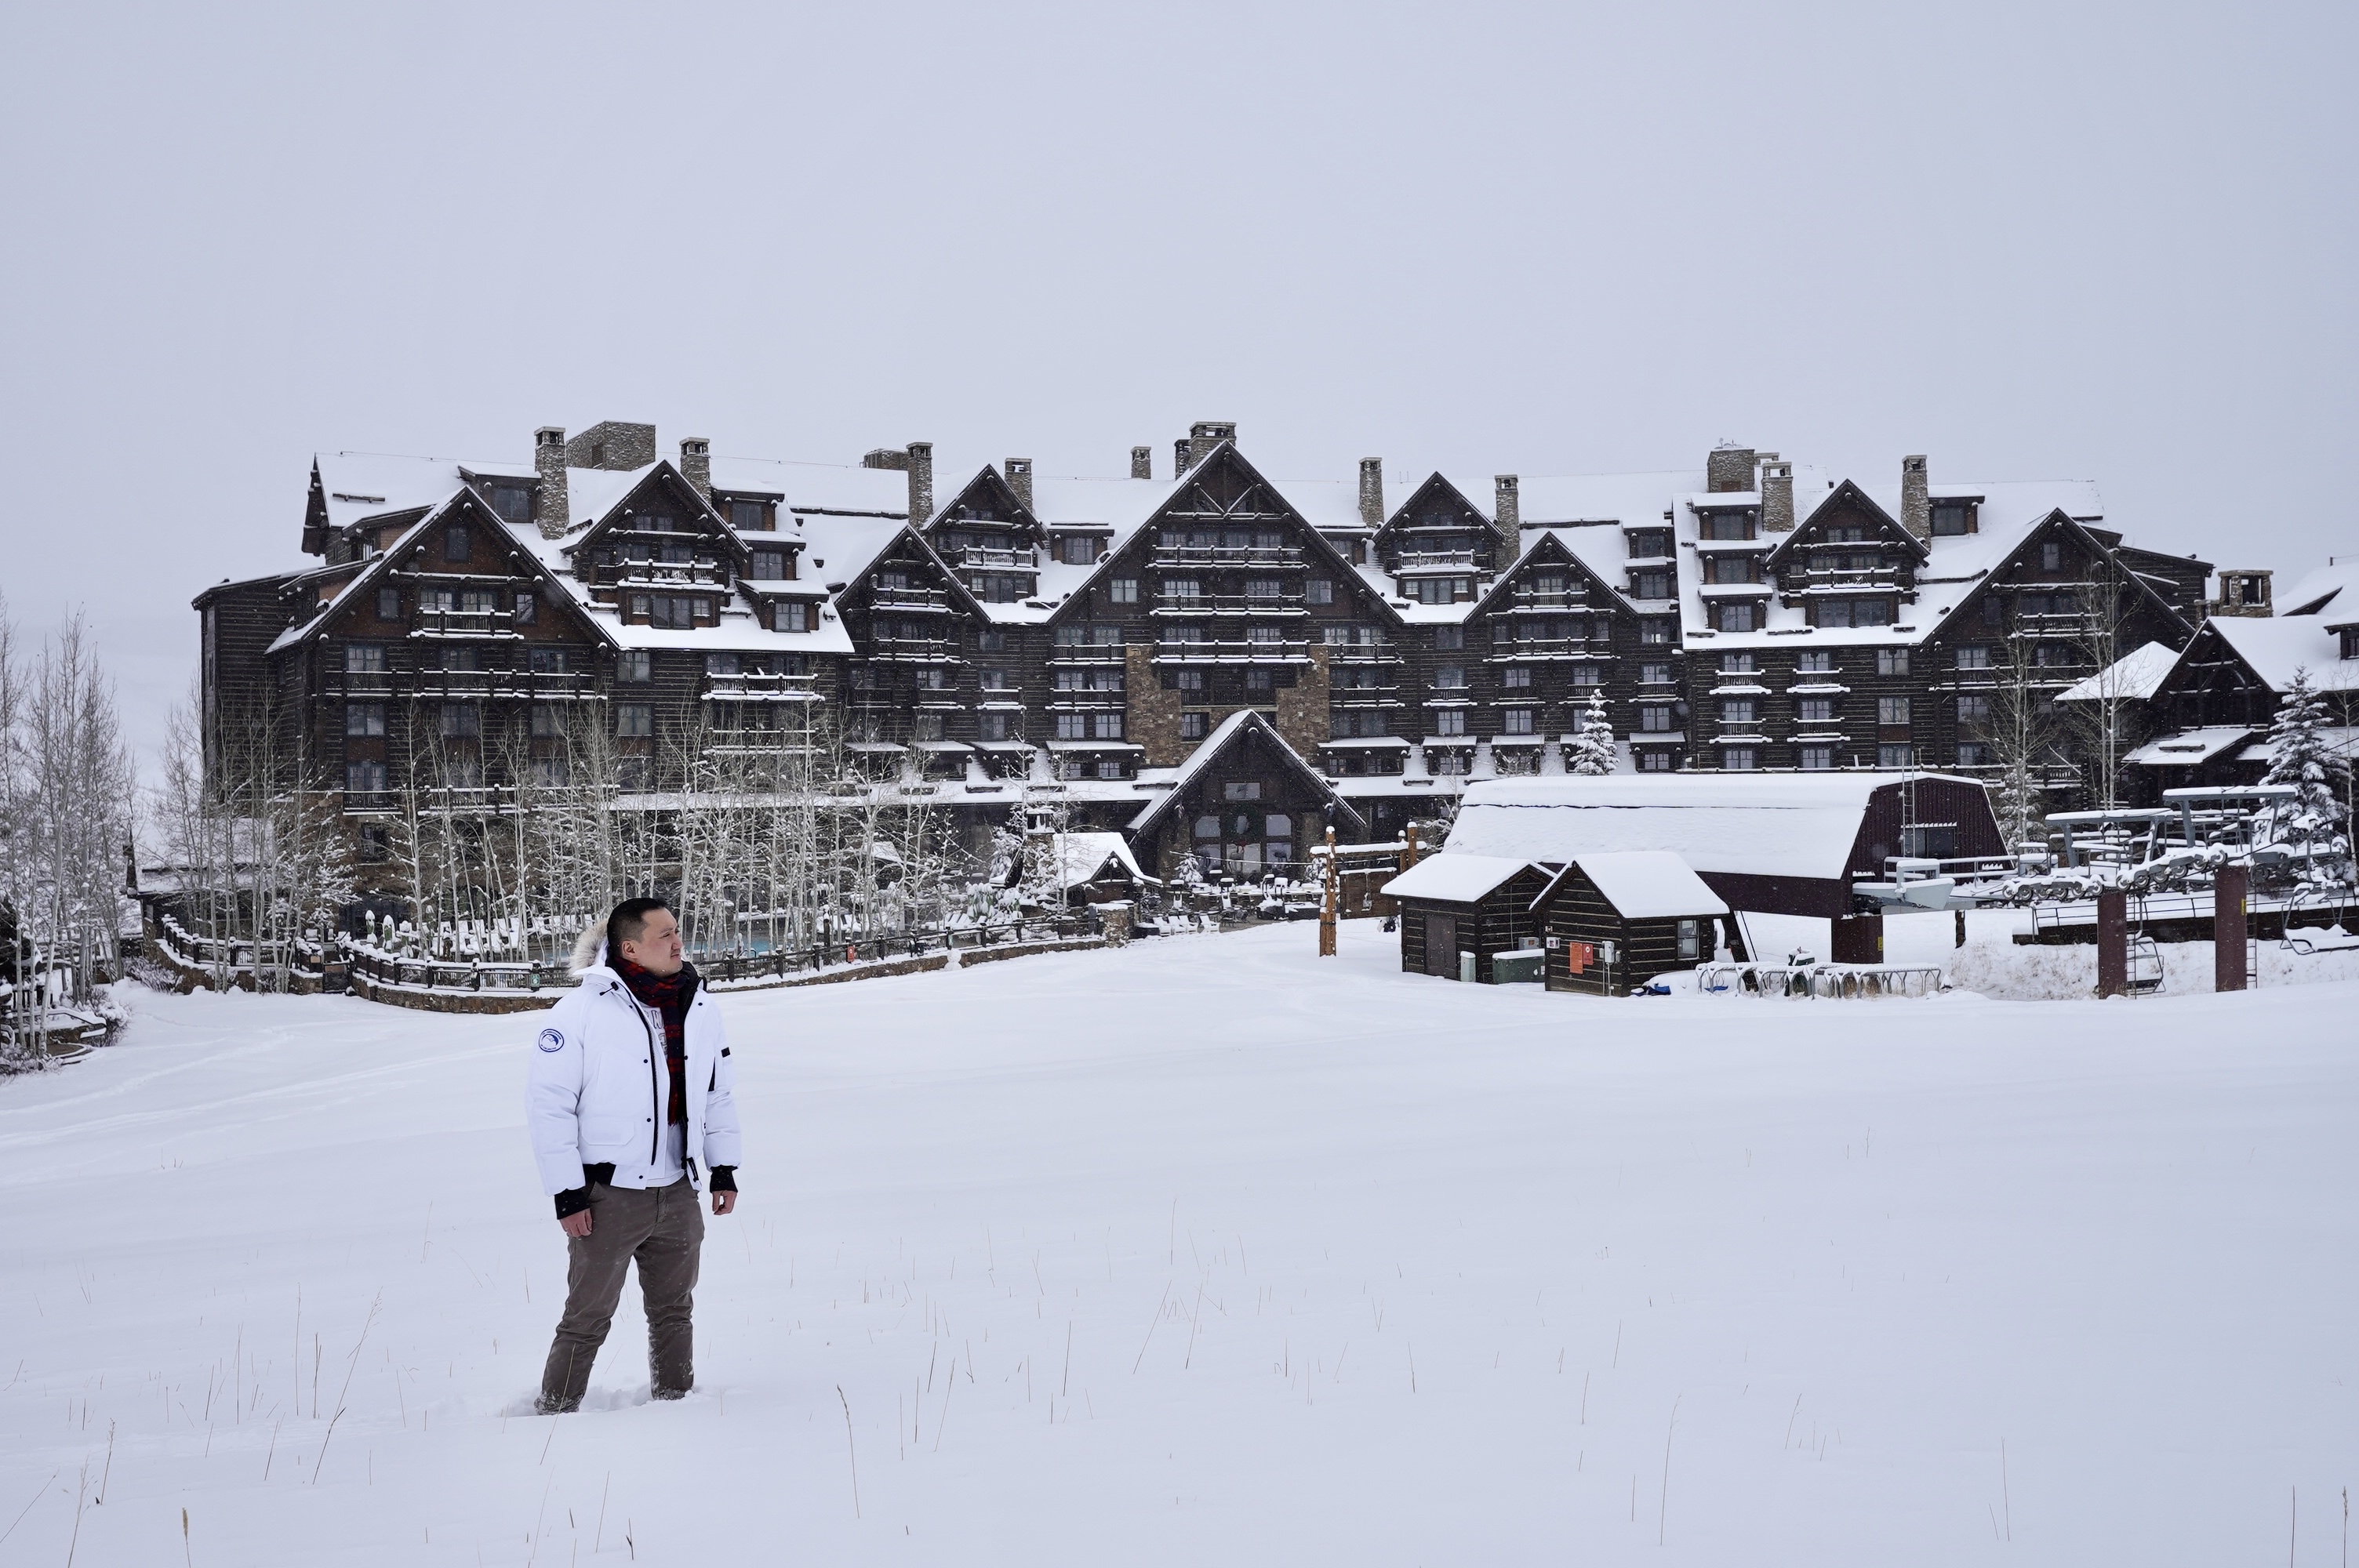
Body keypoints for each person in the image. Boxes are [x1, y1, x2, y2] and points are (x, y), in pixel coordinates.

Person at [527, 897, 742, 1414]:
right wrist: (567, 1192)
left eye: (677, 931)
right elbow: (549, 1107)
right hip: (607, 1196)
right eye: (664, 934)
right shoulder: (579, 1012)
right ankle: (555, 1412)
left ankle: (675, 1407)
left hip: (678, 1188)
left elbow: (717, 1092)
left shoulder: (698, 1005)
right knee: (587, 1315)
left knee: (674, 1311)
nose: (678, 942)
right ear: (630, 948)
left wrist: (723, 1167)